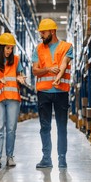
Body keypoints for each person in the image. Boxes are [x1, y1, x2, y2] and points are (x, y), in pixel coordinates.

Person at [32, 18, 73, 169]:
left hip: (61, 92)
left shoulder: (67, 47)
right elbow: (35, 70)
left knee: (62, 126)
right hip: (43, 92)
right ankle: (46, 158)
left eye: (43, 32)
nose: (41, 35)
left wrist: (57, 77)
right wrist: (48, 69)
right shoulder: (38, 49)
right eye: (40, 32)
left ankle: (62, 158)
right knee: (45, 127)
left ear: (52, 31)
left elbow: (64, 65)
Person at [0, 33, 26, 169]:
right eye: (7, 48)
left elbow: (19, 75)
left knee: (11, 129)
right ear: (1, 47)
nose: (9, 51)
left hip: (13, 99)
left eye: (11, 48)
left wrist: (21, 79)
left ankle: (10, 157)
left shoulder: (16, 60)